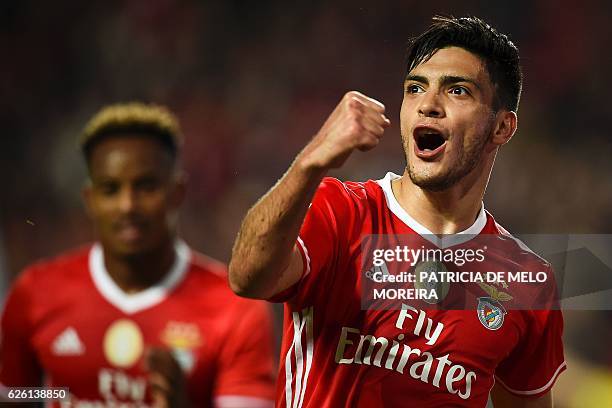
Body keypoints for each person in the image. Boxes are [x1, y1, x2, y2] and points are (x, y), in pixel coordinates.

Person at [228, 16, 565, 407]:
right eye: (415, 88)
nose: (428, 105)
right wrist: (309, 164)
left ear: (502, 128)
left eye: (457, 91)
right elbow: (246, 278)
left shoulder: (527, 280)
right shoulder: (340, 210)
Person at [0, 103, 276, 407]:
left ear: (178, 192)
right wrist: (58, 395)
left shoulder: (233, 307)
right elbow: (16, 395)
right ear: (89, 200)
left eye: (146, 187)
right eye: (110, 189)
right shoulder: (35, 293)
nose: (127, 206)